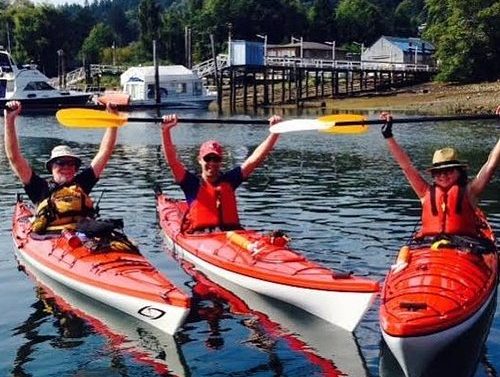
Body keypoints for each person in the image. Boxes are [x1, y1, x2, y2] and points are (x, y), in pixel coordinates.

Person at [379, 110, 500, 240]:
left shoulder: (470, 192)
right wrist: (388, 136)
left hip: (464, 248)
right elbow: (406, 167)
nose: (443, 175)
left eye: (449, 171)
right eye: (438, 172)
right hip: (430, 248)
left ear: (459, 172)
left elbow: (490, 165)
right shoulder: (425, 193)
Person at [4, 100, 118, 233]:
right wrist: (9, 120)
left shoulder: (82, 183)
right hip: (52, 240)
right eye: (61, 163)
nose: (67, 167)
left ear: (76, 168)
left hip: (82, 234)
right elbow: (14, 158)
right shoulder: (40, 188)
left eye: (71, 163)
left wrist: (112, 120)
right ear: (51, 167)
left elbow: (105, 151)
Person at [161, 114, 282, 233]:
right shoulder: (191, 184)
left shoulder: (229, 180)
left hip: (231, 235)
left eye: (216, 159)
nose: (212, 163)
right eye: (208, 159)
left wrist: (274, 133)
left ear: (221, 161)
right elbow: (172, 161)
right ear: (199, 160)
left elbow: (255, 159)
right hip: (201, 238)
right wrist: (166, 130)